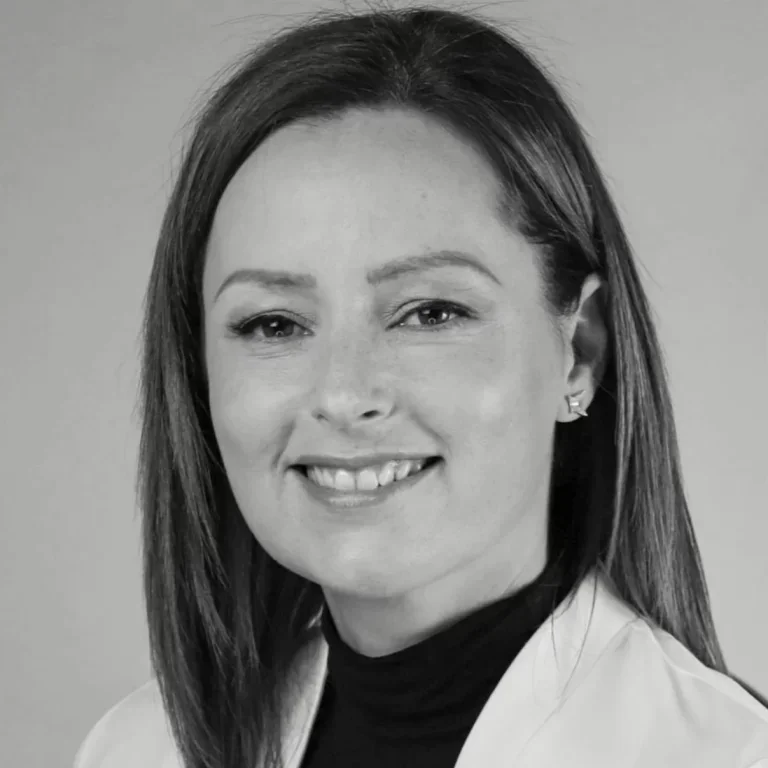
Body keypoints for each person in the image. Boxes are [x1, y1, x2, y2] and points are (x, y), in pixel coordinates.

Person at [73, 4, 768, 767]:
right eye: (274, 324)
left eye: (430, 312)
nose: (343, 394)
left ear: (580, 352)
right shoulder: (134, 749)